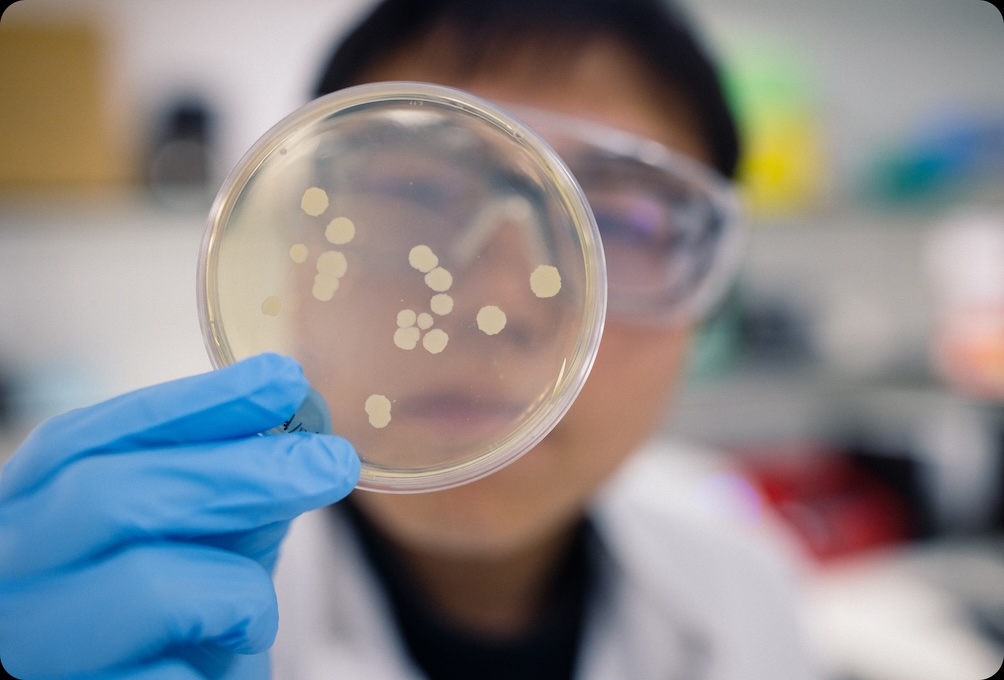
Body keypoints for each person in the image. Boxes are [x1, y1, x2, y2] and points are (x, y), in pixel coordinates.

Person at [0, 0, 816, 678]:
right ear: (297, 249)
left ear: (707, 297)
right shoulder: (116, 597)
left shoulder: (747, 600)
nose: (500, 297)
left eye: (623, 225)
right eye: (417, 192)